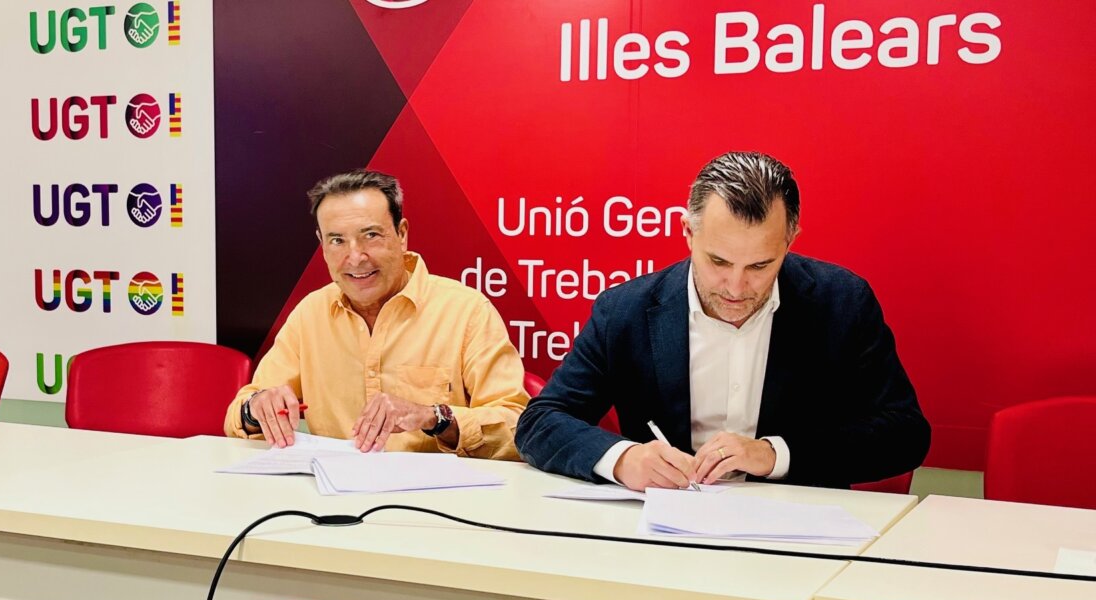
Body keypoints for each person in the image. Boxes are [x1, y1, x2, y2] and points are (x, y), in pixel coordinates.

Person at [515, 151, 930, 490]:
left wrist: (774, 454)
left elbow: (905, 433)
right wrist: (624, 459)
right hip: (663, 531)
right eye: (718, 261)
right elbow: (541, 421)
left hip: (798, 536)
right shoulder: (626, 310)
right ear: (688, 233)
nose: (736, 286)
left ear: (791, 241)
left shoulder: (841, 303)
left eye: (761, 265)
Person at [224, 169, 528, 459]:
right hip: (331, 498)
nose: (355, 258)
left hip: (435, 501)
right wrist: (256, 409)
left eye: (370, 235)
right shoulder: (310, 314)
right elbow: (237, 418)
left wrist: (434, 417)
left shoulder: (466, 312)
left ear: (402, 234)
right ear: (322, 245)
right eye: (337, 240)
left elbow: (519, 427)